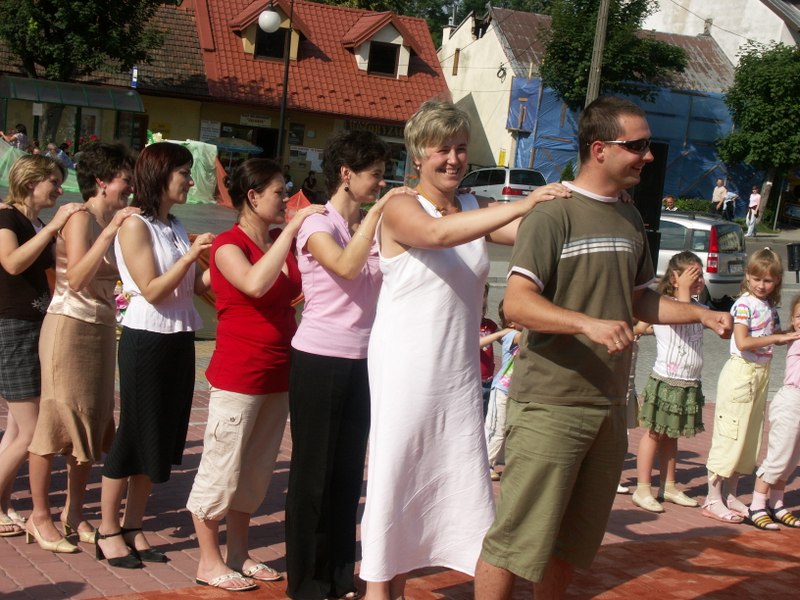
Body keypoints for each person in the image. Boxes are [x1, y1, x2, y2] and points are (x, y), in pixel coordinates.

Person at [474, 96, 732, 600]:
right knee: (515, 540)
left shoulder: (630, 220)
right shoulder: (552, 214)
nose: (648, 155)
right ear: (599, 149)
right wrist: (586, 324)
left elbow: (639, 300)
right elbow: (517, 304)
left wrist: (701, 313)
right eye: (637, 145)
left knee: (570, 544)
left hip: (609, 407)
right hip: (551, 405)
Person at [360, 99, 571, 600]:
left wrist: (576, 205)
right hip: (407, 364)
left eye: (460, 148)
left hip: (455, 368)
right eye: (442, 149)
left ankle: (408, 578)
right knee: (397, 470)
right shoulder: (399, 205)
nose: (454, 159)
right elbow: (435, 234)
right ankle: (377, 590)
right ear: (418, 155)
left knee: (448, 467)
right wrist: (523, 202)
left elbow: (529, 232)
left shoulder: (474, 207)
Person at [285, 130, 415, 600]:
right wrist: (377, 215)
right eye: (374, 175)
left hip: (365, 359)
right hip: (320, 358)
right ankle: (306, 581)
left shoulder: (373, 226)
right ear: (346, 174)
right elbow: (344, 266)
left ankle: (339, 573)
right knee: (313, 474)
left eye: (384, 176)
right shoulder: (316, 224)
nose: (381, 184)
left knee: (345, 475)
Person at [186, 159, 324, 591]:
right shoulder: (229, 245)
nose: (286, 200)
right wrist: (291, 229)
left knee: (255, 470)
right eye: (279, 192)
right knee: (222, 467)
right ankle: (208, 561)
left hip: (279, 372)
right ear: (253, 196)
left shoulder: (275, 242)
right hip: (239, 374)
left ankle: (238, 553)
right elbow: (254, 285)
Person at [94, 142, 214, 569]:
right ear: (160, 176)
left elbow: (195, 286)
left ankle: (133, 526)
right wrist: (192, 256)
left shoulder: (175, 224)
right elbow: (153, 289)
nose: (190, 181)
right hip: (147, 338)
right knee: (133, 434)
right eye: (183, 173)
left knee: (159, 436)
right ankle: (107, 529)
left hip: (179, 337)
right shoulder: (135, 225)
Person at [26, 143, 139, 553]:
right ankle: (39, 516)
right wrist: (111, 231)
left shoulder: (118, 221)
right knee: (56, 419)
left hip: (101, 328)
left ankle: (74, 512)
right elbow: (75, 278)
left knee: (92, 420)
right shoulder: (79, 217)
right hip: (69, 327)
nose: (130, 188)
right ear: (102, 181)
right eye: (125, 179)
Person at [0, 156, 84, 540]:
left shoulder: (33, 223)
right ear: (31, 181)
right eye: (53, 181)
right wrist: (52, 227)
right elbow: (12, 263)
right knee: (32, 433)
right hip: (13, 327)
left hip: (35, 325)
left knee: (17, 428)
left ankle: (3, 504)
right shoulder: (8, 218)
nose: (59, 189)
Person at [703, 248, 799, 526]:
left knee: (748, 438)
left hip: (760, 375)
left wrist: (786, 335)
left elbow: (779, 334)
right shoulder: (744, 305)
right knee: (730, 434)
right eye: (757, 279)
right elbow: (743, 342)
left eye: (768, 280)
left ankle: (731, 494)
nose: (761, 285)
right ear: (747, 276)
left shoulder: (769, 307)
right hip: (741, 373)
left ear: (777, 280)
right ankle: (712, 497)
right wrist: (778, 339)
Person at [632, 252, 707, 513]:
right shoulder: (667, 306)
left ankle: (669, 485)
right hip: (666, 381)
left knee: (671, 435)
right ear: (675, 279)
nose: (699, 280)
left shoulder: (698, 306)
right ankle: (642, 488)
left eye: (701, 274)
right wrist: (640, 328)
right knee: (654, 433)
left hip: (688, 382)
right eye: (693, 275)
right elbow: (680, 314)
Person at [746, 293, 800, 529]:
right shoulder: (795, 339)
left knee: (791, 460)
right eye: (798, 316)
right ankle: (757, 505)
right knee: (778, 458)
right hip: (791, 402)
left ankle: (777, 504)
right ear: (792, 319)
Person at [484, 300, 522, 481]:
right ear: (511, 322)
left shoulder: (514, 333)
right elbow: (527, 338)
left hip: (515, 392)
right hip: (502, 389)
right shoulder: (512, 334)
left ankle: (500, 461)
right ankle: (485, 465)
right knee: (496, 429)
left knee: (509, 429)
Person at [479, 284, 500, 415]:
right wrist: (499, 335)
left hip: (489, 380)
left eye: (484, 295)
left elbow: (505, 338)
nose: (481, 313)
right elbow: (475, 344)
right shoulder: (467, 324)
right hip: (475, 381)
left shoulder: (489, 324)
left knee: (486, 414)